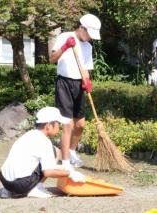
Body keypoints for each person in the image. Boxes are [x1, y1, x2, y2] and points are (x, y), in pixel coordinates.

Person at [49, 14, 101, 169]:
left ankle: (71, 151)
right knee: (67, 124)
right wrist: (65, 47)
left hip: (78, 84)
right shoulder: (65, 36)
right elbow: (52, 59)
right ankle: (65, 162)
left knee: (80, 124)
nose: (90, 38)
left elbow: (85, 68)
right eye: (89, 34)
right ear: (81, 28)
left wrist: (87, 81)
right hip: (64, 83)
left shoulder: (88, 46)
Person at [0, 107, 86, 198]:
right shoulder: (44, 142)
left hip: (4, 180)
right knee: (55, 151)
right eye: (57, 124)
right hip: (21, 185)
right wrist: (70, 174)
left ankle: (7, 191)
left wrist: (63, 168)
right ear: (48, 126)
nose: (59, 127)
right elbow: (48, 172)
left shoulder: (28, 135)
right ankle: (35, 189)